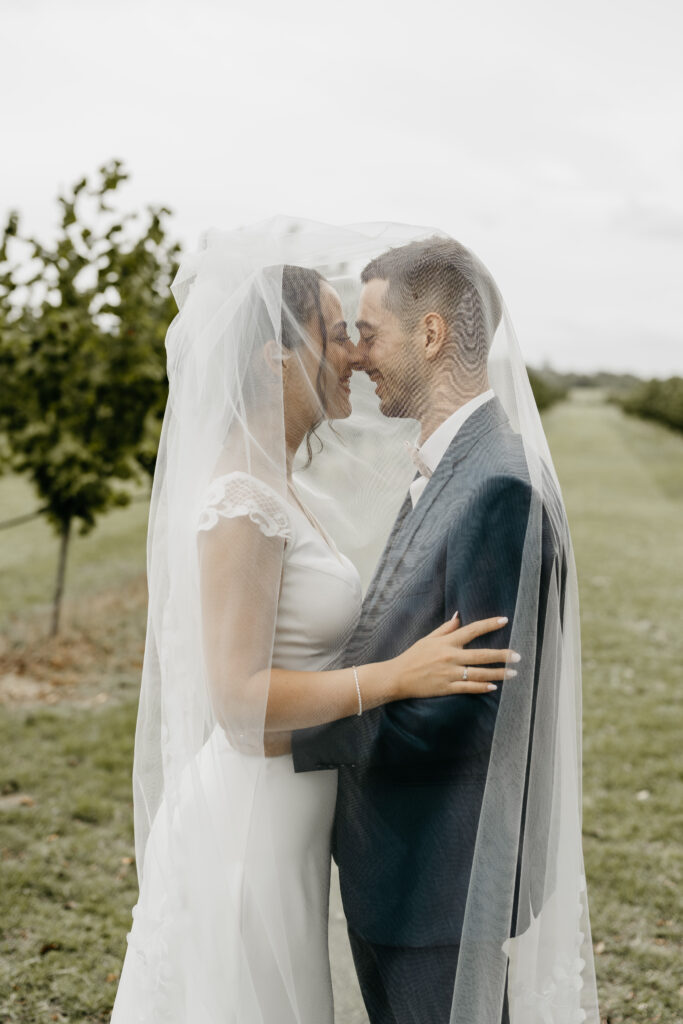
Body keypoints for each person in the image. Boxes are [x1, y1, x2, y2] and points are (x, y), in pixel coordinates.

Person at [110, 242, 516, 1024]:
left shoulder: (277, 484)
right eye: (334, 332)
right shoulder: (241, 501)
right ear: (276, 358)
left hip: (290, 817)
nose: (353, 353)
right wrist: (396, 677)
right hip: (249, 824)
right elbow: (236, 702)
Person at [291, 237, 600, 1024]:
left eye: (370, 331)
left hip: (438, 877)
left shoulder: (495, 484)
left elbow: (477, 708)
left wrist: (295, 725)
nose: (357, 356)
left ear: (428, 335)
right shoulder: (459, 463)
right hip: (400, 866)